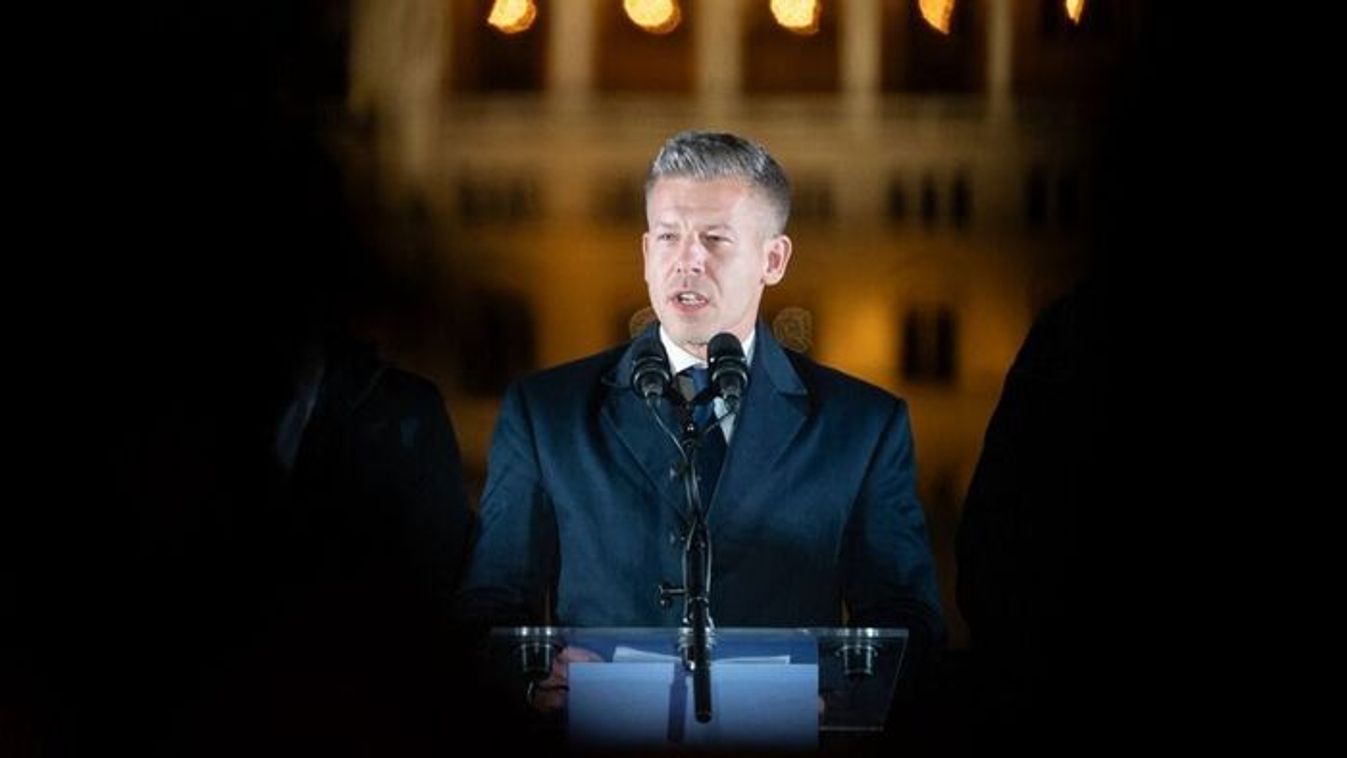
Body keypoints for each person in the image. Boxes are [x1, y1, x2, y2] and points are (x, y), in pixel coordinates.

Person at [457, 130, 943, 712]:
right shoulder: (545, 414)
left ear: (773, 259)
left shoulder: (863, 427)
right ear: (645, 253)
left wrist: (837, 695)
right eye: (668, 237)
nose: (687, 259)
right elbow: (487, 607)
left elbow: (907, 621)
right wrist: (531, 682)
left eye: (715, 238)